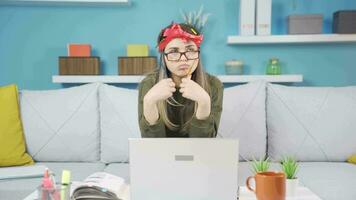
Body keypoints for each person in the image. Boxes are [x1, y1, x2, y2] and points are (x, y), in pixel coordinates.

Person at [138, 22, 223, 138]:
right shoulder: (149, 83)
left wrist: (204, 102)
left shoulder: (213, 85)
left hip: (199, 155)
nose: (183, 59)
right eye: (173, 51)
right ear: (164, 57)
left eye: (190, 50)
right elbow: (151, 145)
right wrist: (149, 102)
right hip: (161, 155)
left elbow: (204, 146)